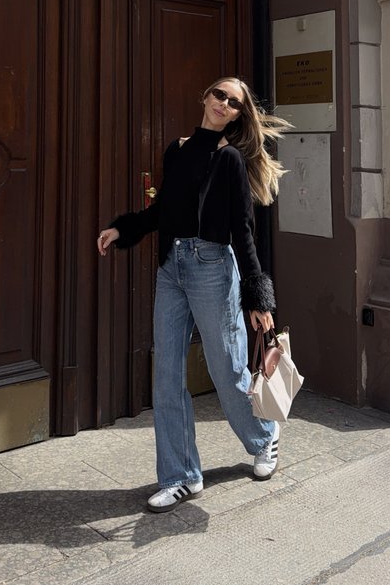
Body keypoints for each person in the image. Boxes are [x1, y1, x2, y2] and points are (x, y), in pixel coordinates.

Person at [97, 76, 290, 513]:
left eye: (234, 102)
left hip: (213, 268)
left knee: (227, 371)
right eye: (219, 95)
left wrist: (258, 297)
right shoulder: (178, 149)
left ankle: (264, 437)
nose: (224, 103)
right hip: (172, 268)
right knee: (166, 375)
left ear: (239, 115)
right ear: (204, 97)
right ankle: (182, 476)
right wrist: (123, 229)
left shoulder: (230, 162)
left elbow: (243, 230)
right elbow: (165, 210)